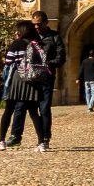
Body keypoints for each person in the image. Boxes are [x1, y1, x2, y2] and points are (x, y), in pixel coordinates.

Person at [0, 21, 52, 151]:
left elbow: (8, 61)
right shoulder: (37, 44)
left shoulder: (17, 44)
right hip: (33, 81)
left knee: (8, 110)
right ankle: (41, 143)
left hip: (18, 79)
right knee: (33, 112)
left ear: (21, 31)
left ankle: (2, 140)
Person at [31, 10, 63, 144]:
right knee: (30, 108)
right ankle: (17, 135)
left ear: (46, 22)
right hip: (31, 78)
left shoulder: (55, 37)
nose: (36, 27)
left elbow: (61, 58)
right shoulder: (31, 37)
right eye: (34, 24)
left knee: (44, 108)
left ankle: (45, 137)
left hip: (47, 77)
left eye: (39, 24)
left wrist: (47, 64)